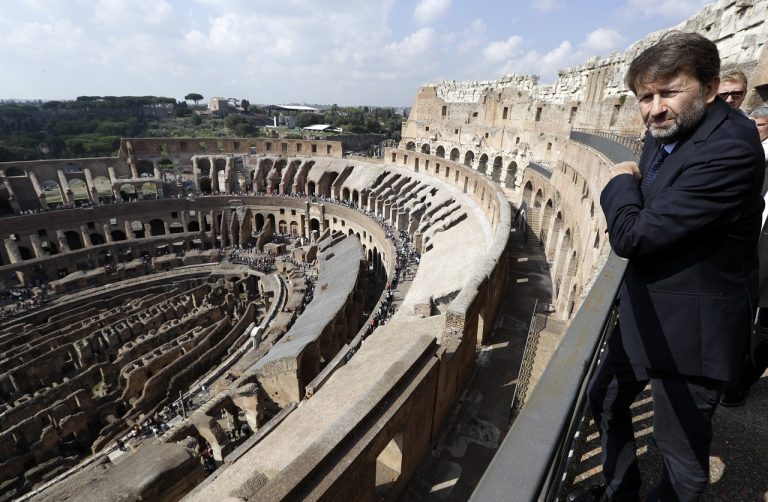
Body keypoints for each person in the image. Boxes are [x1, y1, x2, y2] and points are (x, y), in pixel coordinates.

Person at [570, 32, 764, 501]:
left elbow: (634, 235)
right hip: (645, 310)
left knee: (680, 453)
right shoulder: (671, 130)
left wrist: (619, 181)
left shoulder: (731, 148)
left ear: (710, 88)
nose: (655, 107)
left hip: (693, 332)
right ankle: (620, 492)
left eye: (669, 91)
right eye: (645, 96)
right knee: (607, 399)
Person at [720, 106, 768, 407]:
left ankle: (740, 382)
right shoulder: (753, 155)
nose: (753, 127)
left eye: (759, 124)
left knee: (763, 325)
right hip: (750, 246)